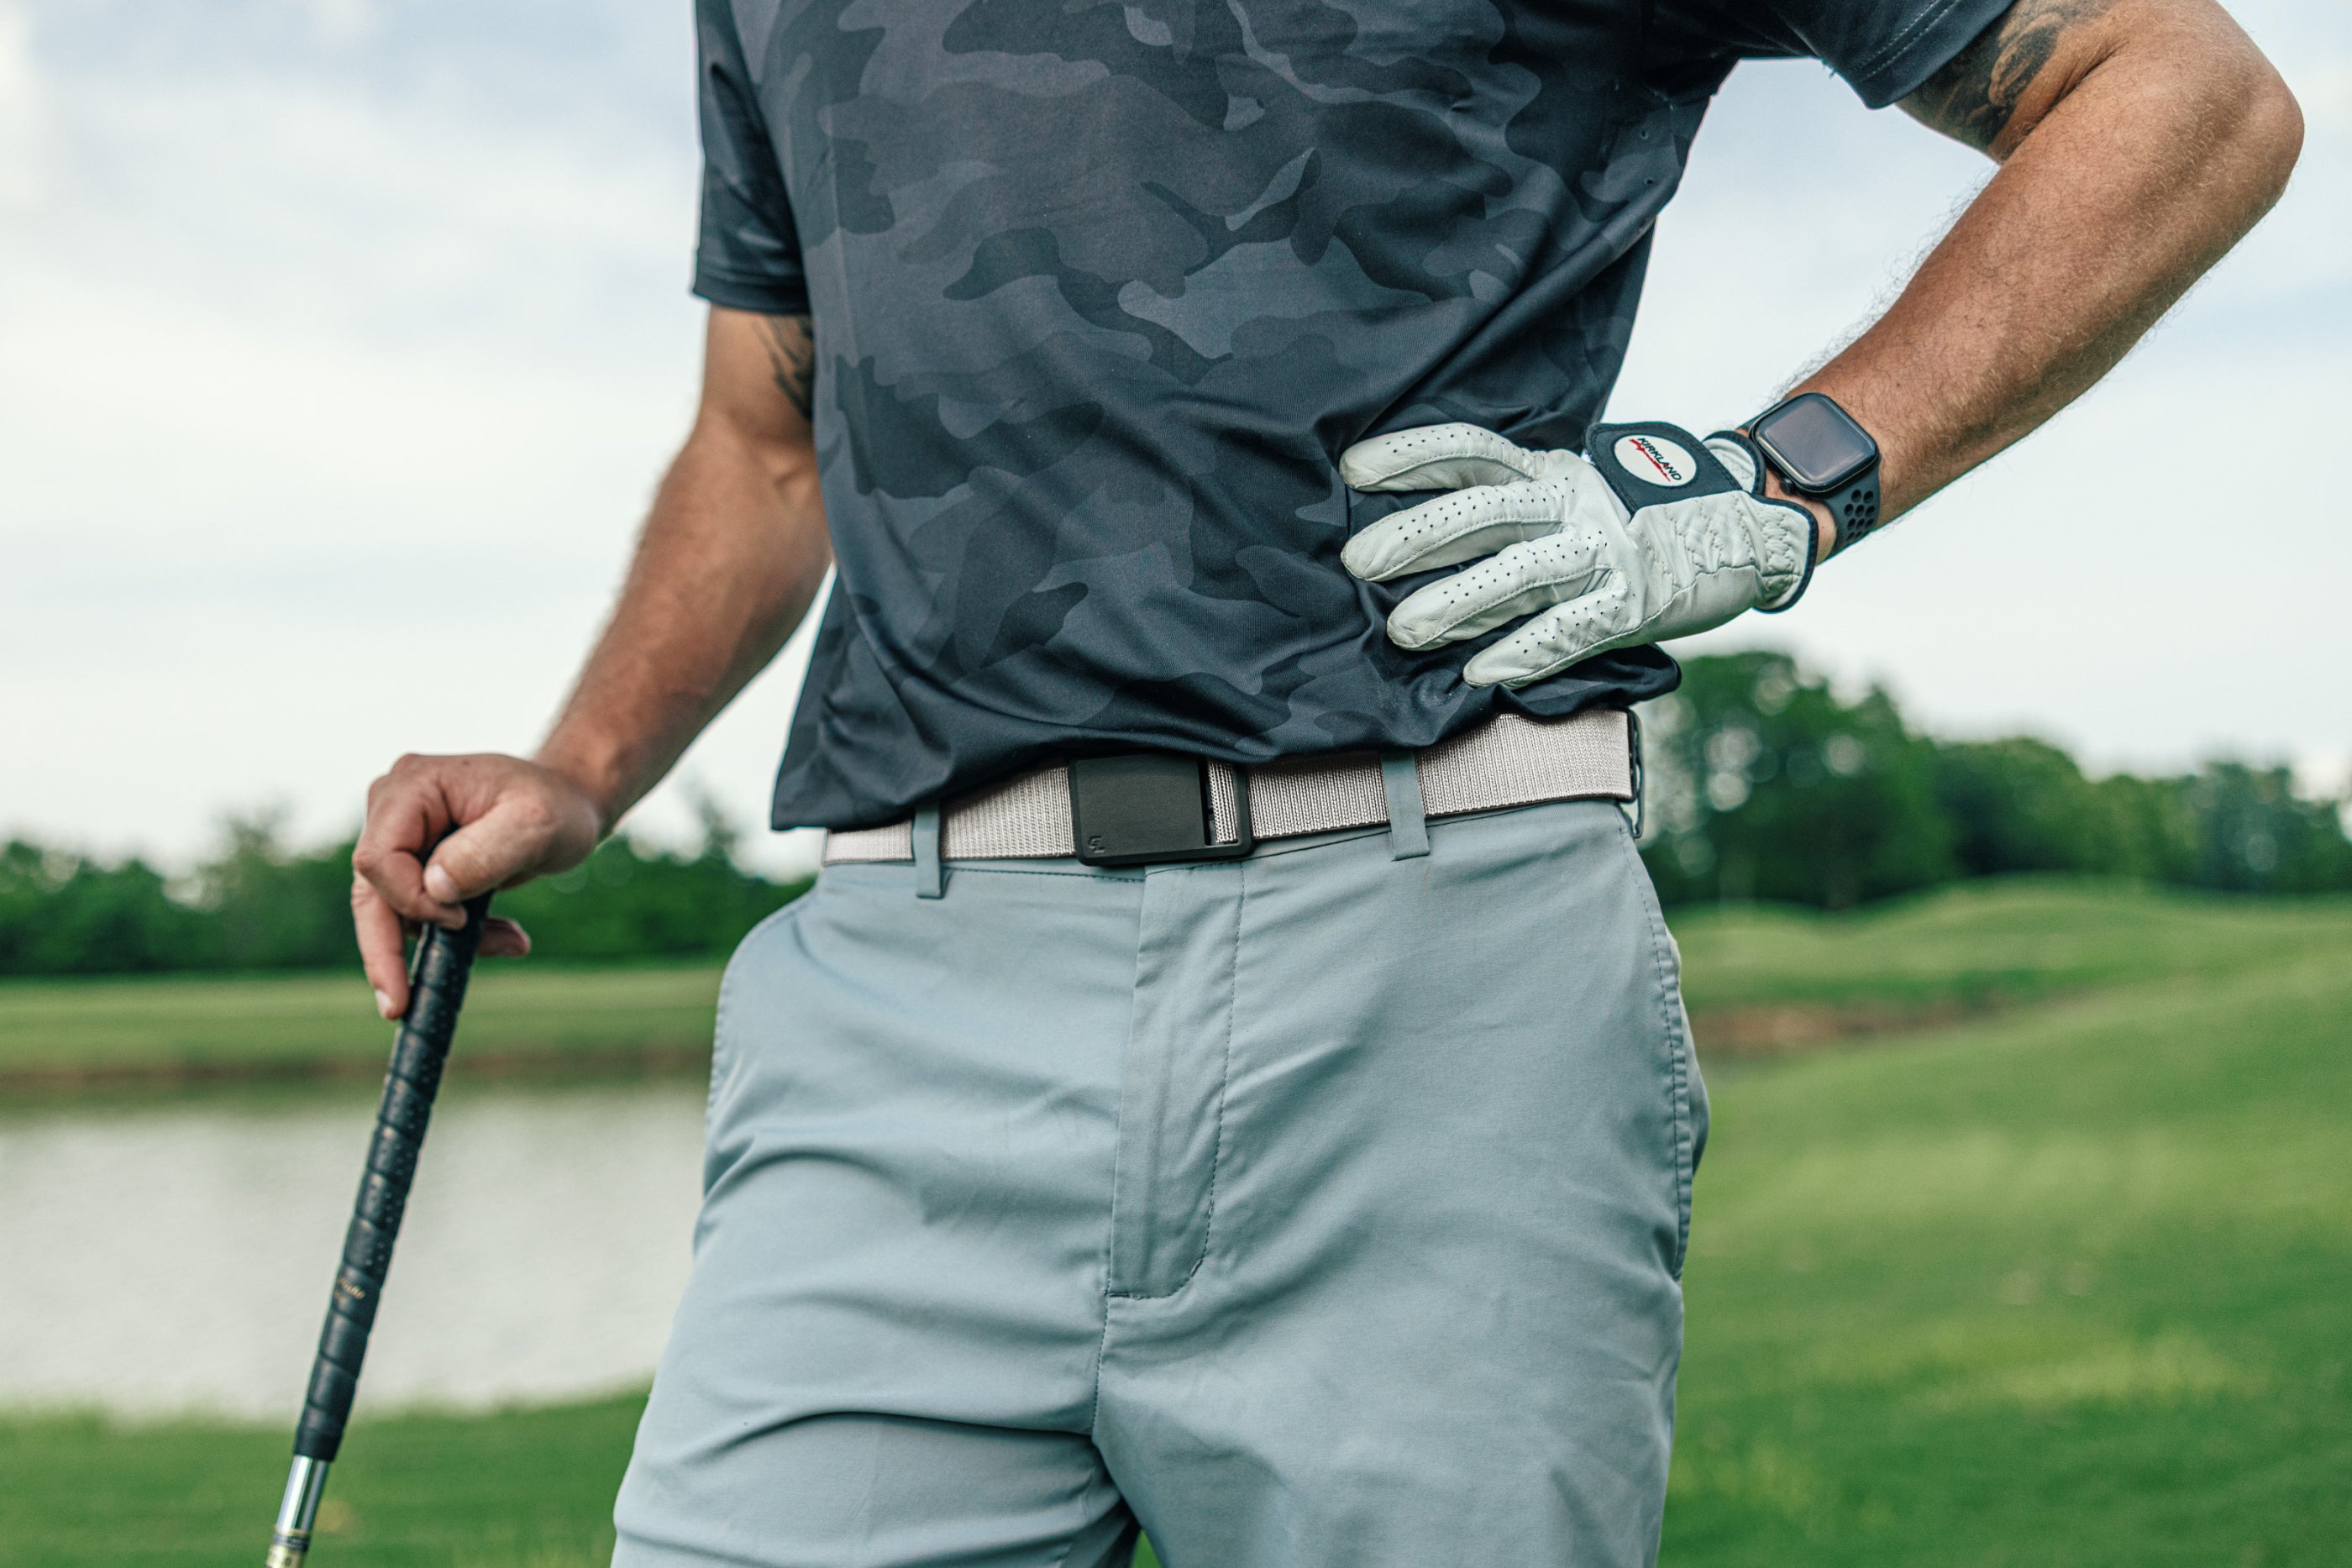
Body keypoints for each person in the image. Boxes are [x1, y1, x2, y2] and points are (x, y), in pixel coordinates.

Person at [350, 0, 2299, 1560]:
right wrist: (584, 763)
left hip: (1434, 974)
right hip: (895, 992)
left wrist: (1773, 482)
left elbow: (2181, 87)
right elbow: (767, 437)